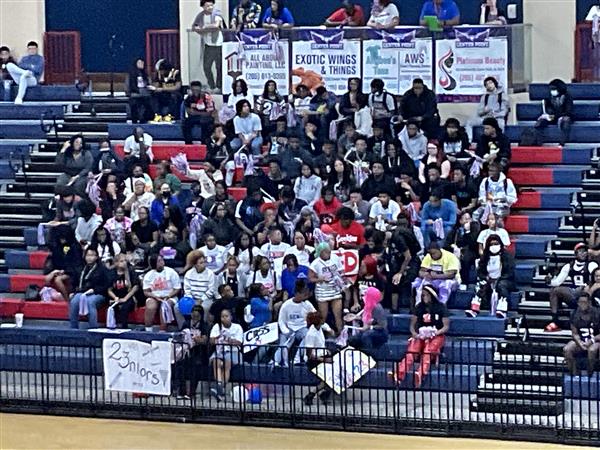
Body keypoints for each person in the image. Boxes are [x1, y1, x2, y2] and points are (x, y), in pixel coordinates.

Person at [391, 284, 449, 388]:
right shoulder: (419, 307)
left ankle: (420, 374)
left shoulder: (441, 307)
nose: (424, 297)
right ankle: (398, 375)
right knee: (411, 350)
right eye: (423, 295)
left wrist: (435, 332)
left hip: (436, 335)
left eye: (426, 295)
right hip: (421, 335)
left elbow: (446, 327)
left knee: (428, 351)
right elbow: (412, 326)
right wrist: (415, 335)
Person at [544, 243, 598, 332]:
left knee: (587, 290)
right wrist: (549, 281)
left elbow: (596, 280)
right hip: (573, 294)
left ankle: (591, 321)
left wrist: (586, 287)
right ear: (575, 253)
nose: (583, 253)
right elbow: (557, 282)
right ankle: (555, 321)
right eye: (580, 251)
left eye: (584, 251)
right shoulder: (569, 266)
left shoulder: (592, 265)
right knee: (555, 290)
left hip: (588, 294)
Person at [465, 235, 515, 318]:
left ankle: (502, 310)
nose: (494, 246)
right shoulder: (484, 257)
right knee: (480, 284)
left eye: (496, 244)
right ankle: (474, 309)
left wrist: (498, 279)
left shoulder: (507, 256)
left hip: (504, 280)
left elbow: (509, 272)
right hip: (489, 280)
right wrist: (486, 278)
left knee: (501, 285)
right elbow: (480, 272)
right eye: (491, 244)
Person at [274, 279, 315, 366]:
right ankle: (277, 362)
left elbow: (316, 316)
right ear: (297, 293)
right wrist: (286, 331)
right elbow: (281, 321)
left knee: (307, 335)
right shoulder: (286, 305)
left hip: (301, 328)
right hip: (289, 329)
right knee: (283, 344)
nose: (306, 296)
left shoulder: (307, 304)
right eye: (304, 294)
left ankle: (299, 358)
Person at [68, 247, 110, 329]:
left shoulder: (102, 269)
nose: (89, 258)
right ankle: (73, 328)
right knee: (74, 301)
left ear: (97, 257)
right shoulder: (81, 267)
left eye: (92, 255)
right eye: (88, 255)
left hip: (98, 293)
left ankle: (93, 328)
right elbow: (74, 282)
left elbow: (106, 285)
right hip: (82, 292)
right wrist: (72, 291)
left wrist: (94, 290)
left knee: (90, 301)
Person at [309, 242, 346, 333]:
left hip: (335, 289)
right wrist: (320, 279)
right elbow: (310, 279)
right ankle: (322, 335)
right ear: (320, 252)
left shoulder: (335, 258)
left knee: (338, 315)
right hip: (322, 291)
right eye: (325, 251)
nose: (327, 253)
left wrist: (340, 278)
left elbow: (341, 271)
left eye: (328, 251)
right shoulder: (315, 263)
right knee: (323, 316)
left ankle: (341, 335)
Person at [209, 309, 243, 401]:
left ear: (231, 317)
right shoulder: (217, 326)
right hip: (219, 351)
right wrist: (218, 337)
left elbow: (239, 342)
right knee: (217, 363)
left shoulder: (237, 327)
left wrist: (229, 340)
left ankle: (219, 389)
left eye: (226, 316)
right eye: (222, 316)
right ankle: (220, 386)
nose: (224, 318)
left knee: (227, 363)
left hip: (233, 352)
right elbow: (211, 340)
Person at [302, 311, 334, 406]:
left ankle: (324, 395)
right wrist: (324, 360)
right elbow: (309, 355)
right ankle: (311, 395)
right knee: (329, 378)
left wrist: (326, 351)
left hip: (323, 356)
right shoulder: (311, 334)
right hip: (314, 361)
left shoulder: (320, 328)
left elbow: (327, 331)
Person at [563, 293, 600, 376]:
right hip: (582, 340)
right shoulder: (574, 314)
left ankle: (590, 373)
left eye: (585, 302)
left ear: (589, 302)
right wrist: (579, 342)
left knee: (592, 350)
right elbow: (574, 333)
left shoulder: (597, 313)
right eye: (581, 302)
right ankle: (574, 374)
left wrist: (591, 340)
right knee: (567, 349)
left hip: (596, 340)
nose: (583, 304)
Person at [143, 254, 181, 331]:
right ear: (154, 264)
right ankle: (148, 330)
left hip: (170, 296)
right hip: (155, 296)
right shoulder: (149, 275)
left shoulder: (171, 272)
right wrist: (154, 296)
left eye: (162, 260)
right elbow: (146, 291)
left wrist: (168, 296)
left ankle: (162, 331)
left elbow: (177, 289)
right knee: (150, 307)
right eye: (159, 261)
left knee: (164, 306)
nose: (162, 262)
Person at [192, 0, 224, 93]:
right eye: (207, 6)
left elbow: (216, 25)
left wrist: (205, 27)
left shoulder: (216, 13)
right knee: (206, 66)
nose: (210, 7)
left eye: (211, 5)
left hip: (218, 44)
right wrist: (199, 29)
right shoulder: (200, 15)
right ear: (203, 6)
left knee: (219, 66)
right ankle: (212, 85)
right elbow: (195, 26)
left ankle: (219, 86)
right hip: (208, 44)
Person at [179, 251, 216, 328]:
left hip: (205, 299)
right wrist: (190, 300)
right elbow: (187, 289)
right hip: (192, 299)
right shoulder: (188, 274)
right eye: (201, 263)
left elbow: (211, 290)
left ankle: (203, 329)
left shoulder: (210, 274)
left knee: (204, 308)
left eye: (204, 262)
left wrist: (201, 299)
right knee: (177, 308)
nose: (204, 264)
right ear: (195, 264)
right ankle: (183, 328)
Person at [347, 287, 389, 354]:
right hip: (370, 330)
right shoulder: (368, 306)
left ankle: (369, 356)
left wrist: (369, 327)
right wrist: (356, 317)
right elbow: (368, 319)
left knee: (366, 335)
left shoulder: (377, 308)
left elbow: (383, 325)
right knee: (352, 339)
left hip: (380, 332)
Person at [466, 77, 509, 141]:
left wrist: (495, 115)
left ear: (495, 83)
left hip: (497, 118)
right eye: (487, 84)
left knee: (501, 124)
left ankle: (499, 141)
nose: (489, 85)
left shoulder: (502, 95)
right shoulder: (484, 97)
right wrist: (484, 111)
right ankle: (469, 140)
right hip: (486, 117)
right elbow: (479, 112)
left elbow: (504, 112)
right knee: (469, 122)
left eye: (490, 83)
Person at [535, 78, 573, 146]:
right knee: (540, 122)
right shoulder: (549, 97)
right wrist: (545, 115)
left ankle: (561, 143)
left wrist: (556, 116)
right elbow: (547, 109)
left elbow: (568, 111)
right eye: (551, 89)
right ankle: (538, 142)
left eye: (554, 89)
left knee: (566, 121)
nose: (552, 91)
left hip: (563, 116)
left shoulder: (567, 96)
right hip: (552, 117)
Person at [107, 254, 140, 329]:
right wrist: (115, 298)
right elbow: (109, 289)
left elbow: (135, 287)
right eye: (122, 261)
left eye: (125, 261)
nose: (124, 262)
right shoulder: (112, 273)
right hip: (116, 297)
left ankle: (124, 328)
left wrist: (125, 298)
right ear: (116, 263)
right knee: (111, 308)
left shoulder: (131, 271)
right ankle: (112, 328)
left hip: (128, 297)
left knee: (124, 308)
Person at [448, 211, 479, 287]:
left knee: (466, 258)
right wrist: (452, 246)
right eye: (465, 219)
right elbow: (447, 243)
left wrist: (468, 231)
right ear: (460, 221)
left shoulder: (474, 229)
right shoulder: (456, 230)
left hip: (471, 250)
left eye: (469, 219)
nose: (468, 221)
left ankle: (464, 282)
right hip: (456, 250)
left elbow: (473, 243)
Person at [127, 58, 153, 123]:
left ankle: (144, 119)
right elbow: (129, 85)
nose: (142, 64)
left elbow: (148, 83)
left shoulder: (145, 74)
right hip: (135, 92)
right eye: (140, 63)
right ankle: (134, 120)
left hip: (145, 92)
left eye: (142, 63)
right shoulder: (131, 73)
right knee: (134, 103)